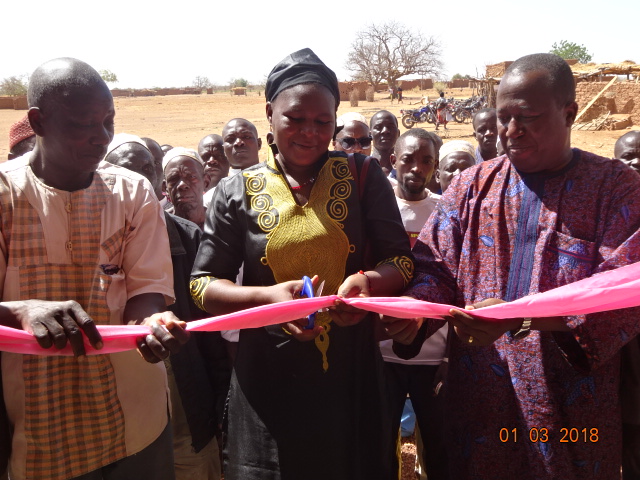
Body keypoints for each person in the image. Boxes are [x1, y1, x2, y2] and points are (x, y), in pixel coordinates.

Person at [394, 53, 640, 480]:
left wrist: (520, 318)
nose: (511, 132)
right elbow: (434, 267)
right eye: (504, 117)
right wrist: (411, 315)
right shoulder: (471, 186)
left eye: (527, 117)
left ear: (570, 113)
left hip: (572, 415)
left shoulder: (616, 189)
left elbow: (621, 293)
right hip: (478, 404)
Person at [190, 47, 415, 480]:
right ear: (270, 114)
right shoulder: (236, 190)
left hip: (352, 382)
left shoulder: (363, 175)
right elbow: (202, 286)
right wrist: (270, 301)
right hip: (266, 387)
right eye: (295, 118)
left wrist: (368, 283)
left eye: (322, 121)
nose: (310, 132)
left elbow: (401, 262)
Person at [0, 57, 189, 480]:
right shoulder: (5, 196)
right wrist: (20, 311)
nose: (101, 138)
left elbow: (146, 287)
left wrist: (152, 322)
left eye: (108, 121)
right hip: (38, 428)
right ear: (39, 122)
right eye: (84, 124)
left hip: (135, 424)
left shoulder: (133, 192)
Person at [105, 135, 230, 480]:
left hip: (188, 417)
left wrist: (220, 406)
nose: (140, 180)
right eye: (128, 171)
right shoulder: (94, 243)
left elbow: (213, 339)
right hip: (121, 423)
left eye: (148, 169)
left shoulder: (190, 239)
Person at [381, 128, 448, 479]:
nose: (416, 168)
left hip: (434, 355)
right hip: (382, 354)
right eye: (408, 158)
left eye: (426, 161)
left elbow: (457, 283)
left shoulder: (446, 212)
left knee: (439, 450)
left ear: (434, 168)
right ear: (393, 160)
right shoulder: (378, 209)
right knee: (379, 452)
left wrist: (452, 355)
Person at [163, 148, 208, 230]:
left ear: (206, 182)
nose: (182, 185)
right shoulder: (159, 225)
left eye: (191, 177)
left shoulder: (223, 223)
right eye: (173, 178)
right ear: (165, 187)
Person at [370, 110, 400, 176]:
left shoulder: (406, 170)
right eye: (378, 127)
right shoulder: (362, 169)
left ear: (398, 133)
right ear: (369, 135)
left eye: (391, 127)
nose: (385, 131)